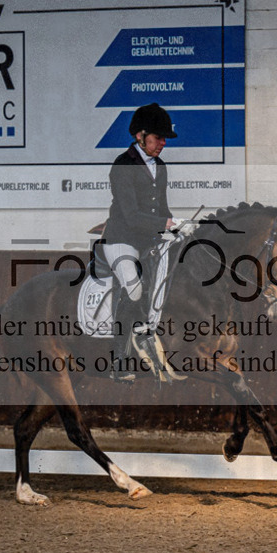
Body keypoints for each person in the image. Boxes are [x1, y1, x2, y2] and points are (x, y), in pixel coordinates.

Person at [101, 103, 178, 381]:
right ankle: (118, 360)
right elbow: (132, 216)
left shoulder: (161, 166)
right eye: (158, 137)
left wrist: (177, 226)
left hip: (148, 241)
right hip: (121, 240)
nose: (163, 143)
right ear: (140, 135)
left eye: (164, 138)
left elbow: (163, 209)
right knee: (133, 292)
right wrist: (164, 224)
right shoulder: (123, 165)